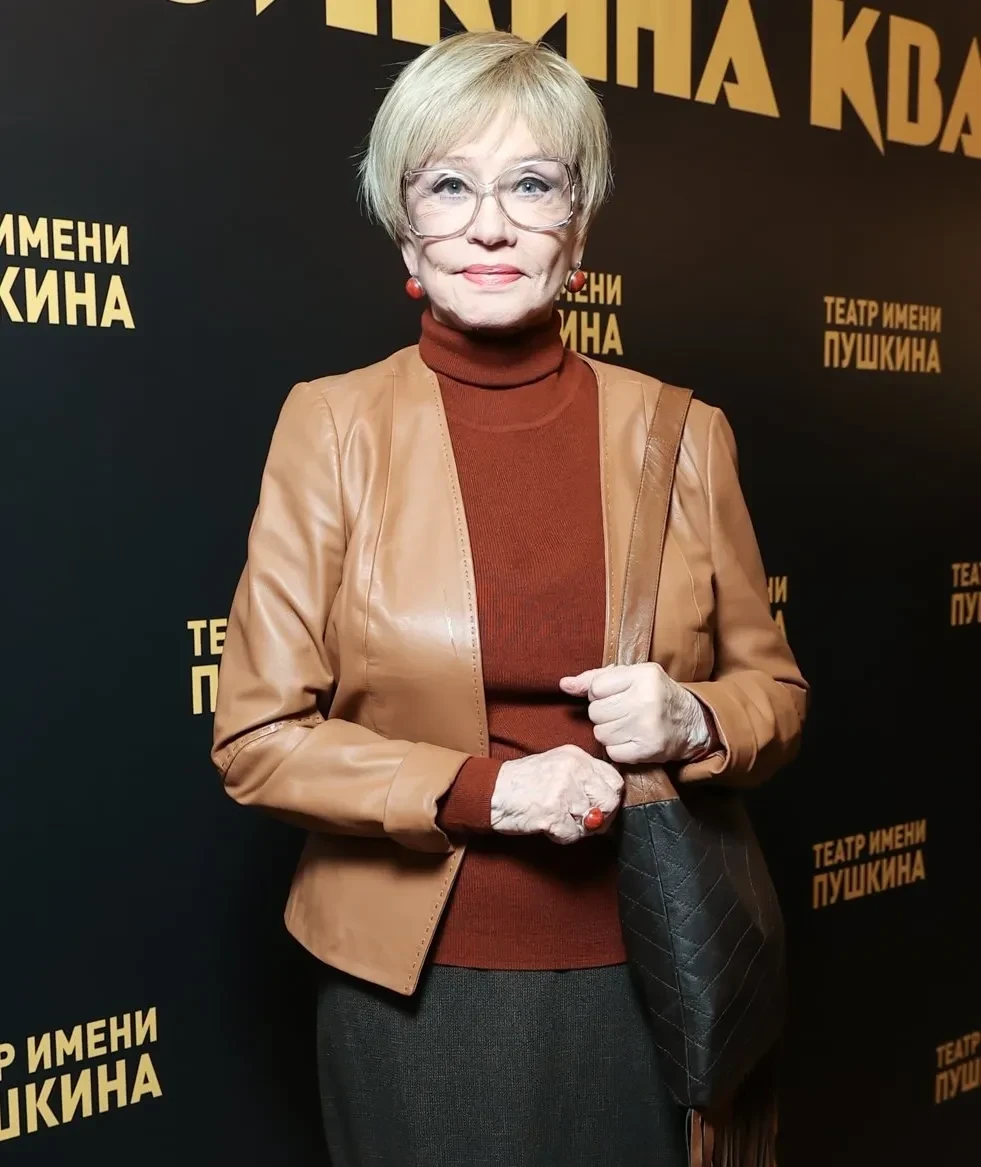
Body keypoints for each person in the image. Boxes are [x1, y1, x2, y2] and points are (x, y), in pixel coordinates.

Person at [211, 29, 808, 1167]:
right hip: (415, 991)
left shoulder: (683, 433)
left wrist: (695, 718)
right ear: (406, 226)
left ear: (577, 227)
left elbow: (774, 694)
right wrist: (488, 792)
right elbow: (257, 739)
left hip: (653, 966)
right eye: (449, 186)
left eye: (531, 184)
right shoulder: (330, 426)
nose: (489, 225)